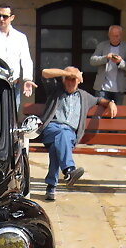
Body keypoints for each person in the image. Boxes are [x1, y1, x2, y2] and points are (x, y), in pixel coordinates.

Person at [38, 66, 117, 201]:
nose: (70, 82)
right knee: (60, 134)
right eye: (67, 79)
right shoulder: (55, 90)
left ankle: (52, 186)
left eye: (73, 79)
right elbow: (45, 73)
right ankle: (69, 169)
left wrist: (111, 103)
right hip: (51, 129)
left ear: (79, 81)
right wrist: (67, 73)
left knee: (58, 145)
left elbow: (99, 100)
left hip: (69, 135)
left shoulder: (84, 96)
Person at [0, 4, 36, 109]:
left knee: (12, 118)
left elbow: (26, 59)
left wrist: (28, 79)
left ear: (12, 18)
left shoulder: (20, 38)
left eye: (5, 16)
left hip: (13, 85)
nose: (1, 19)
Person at [89, 25, 126, 105]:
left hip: (119, 89)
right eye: (112, 36)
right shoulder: (102, 45)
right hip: (102, 87)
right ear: (109, 35)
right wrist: (105, 58)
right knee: (99, 113)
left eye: (117, 36)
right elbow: (92, 60)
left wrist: (120, 62)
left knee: (118, 114)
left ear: (121, 35)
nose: (114, 38)